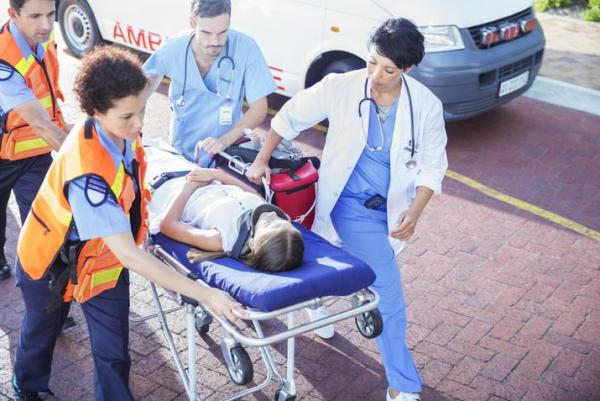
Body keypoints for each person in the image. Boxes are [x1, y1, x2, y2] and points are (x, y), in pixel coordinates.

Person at [12, 46, 244, 401]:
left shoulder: (118, 133)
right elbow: (131, 256)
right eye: (127, 117)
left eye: (142, 111)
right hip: (49, 262)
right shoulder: (88, 175)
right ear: (96, 112)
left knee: (114, 352)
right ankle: (27, 386)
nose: (138, 125)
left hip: (100, 263)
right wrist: (204, 293)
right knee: (42, 328)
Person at [247, 18, 448, 401]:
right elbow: (290, 116)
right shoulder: (342, 86)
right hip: (348, 203)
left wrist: (416, 211)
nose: (375, 75)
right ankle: (403, 385)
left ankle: (317, 303)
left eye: (388, 70)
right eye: (372, 62)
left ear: (407, 70)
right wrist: (261, 159)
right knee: (387, 291)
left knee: (339, 266)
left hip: (389, 209)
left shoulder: (425, 105)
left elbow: (433, 165)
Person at [143, 0, 276, 166]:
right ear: (192, 23)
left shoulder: (246, 48)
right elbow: (140, 92)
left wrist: (224, 141)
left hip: (225, 153)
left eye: (222, 32)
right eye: (206, 33)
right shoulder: (174, 48)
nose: (215, 41)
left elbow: (259, 108)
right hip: (181, 152)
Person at [0, 0, 72, 281]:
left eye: (51, 14)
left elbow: (49, 92)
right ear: (13, 14)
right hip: (6, 153)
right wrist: (89, 162)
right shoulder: (4, 59)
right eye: (35, 16)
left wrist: (66, 125)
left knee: (41, 223)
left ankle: (45, 290)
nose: (46, 24)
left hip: (34, 151)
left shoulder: (45, 38)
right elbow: (43, 125)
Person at [147, 162, 304, 272]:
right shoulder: (266, 216)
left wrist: (189, 187)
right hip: (194, 172)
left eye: (269, 223)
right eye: (282, 220)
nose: (273, 214)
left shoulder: (221, 239)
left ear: (252, 242)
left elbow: (167, 225)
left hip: (167, 187)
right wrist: (216, 174)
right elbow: (253, 194)